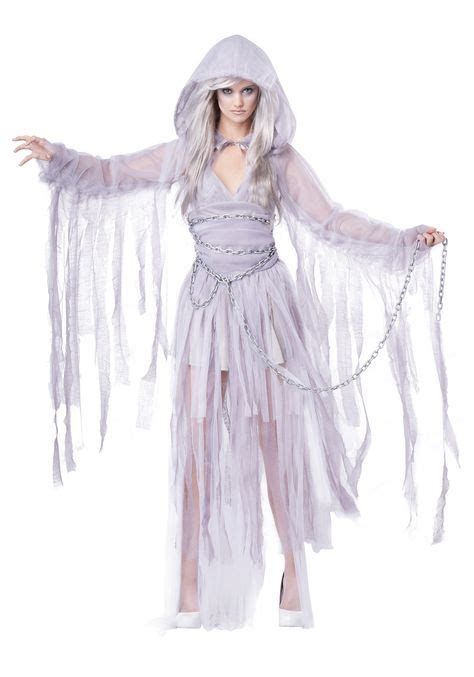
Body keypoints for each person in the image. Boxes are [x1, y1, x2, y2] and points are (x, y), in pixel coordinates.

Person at [12, 34, 457, 632]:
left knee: (276, 443)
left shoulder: (279, 159)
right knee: (196, 444)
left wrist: (403, 238)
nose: (240, 101)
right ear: (211, 95)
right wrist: (60, 158)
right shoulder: (187, 154)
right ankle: (189, 585)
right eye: (228, 90)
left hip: (265, 305)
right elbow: (115, 172)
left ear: (263, 95)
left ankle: (294, 574)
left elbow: (330, 219)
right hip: (205, 307)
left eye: (249, 90)